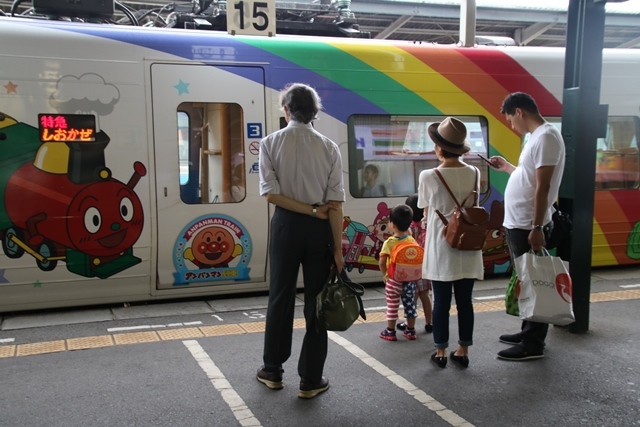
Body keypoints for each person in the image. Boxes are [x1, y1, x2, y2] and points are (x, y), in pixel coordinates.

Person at [257, 83, 345, 398]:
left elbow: (271, 195)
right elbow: (335, 205)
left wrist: (304, 209)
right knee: (317, 303)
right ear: (315, 113)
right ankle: (310, 379)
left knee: (280, 298)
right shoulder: (329, 147)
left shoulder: (270, 143)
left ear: (286, 110)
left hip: (285, 226)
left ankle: (273, 371)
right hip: (320, 229)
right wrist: (338, 249)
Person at [490, 92, 565, 361]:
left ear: (519, 112)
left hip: (527, 225)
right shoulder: (535, 138)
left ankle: (533, 343)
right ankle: (527, 331)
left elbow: (543, 187)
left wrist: (536, 227)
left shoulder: (546, 137)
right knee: (527, 280)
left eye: (510, 119)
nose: (512, 125)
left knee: (535, 282)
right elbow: (530, 178)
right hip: (519, 222)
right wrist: (509, 167)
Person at [417, 117, 484, 369]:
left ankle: (441, 352)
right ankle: (463, 349)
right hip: (467, 244)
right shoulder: (475, 172)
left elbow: (425, 210)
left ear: (439, 148)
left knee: (442, 302)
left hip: (441, 246)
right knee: (465, 301)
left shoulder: (428, 175)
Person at [378, 204, 419, 341]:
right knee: (410, 305)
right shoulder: (411, 240)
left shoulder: (389, 242)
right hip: (410, 281)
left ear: (392, 224)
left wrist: (385, 275)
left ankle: (390, 331)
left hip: (394, 280)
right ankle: (411, 331)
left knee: (392, 305)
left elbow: (382, 262)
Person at [397, 194, 433, 334]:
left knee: (411, 296)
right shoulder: (426, 225)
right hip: (424, 266)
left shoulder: (410, 228)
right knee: (425, 295)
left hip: (412, 268)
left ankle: (409, 323)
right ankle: (429, 323)